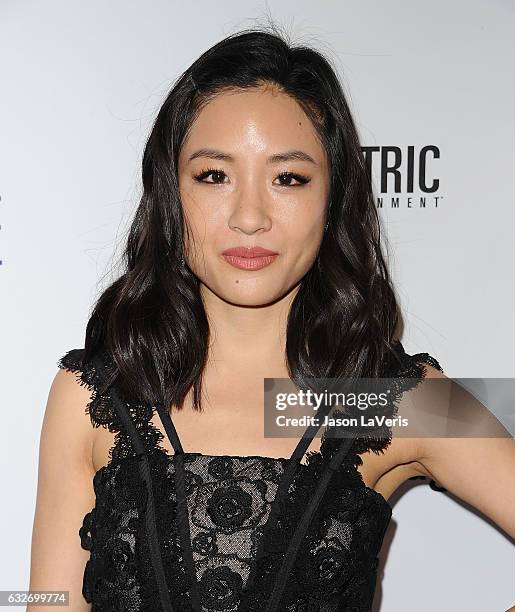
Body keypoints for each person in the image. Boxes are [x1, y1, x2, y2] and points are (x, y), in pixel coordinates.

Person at [29, 25, 515, 612]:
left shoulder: (393, 398)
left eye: (288, 178)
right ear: (169, 192)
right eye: (214, 175)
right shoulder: (91, 395)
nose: (250, 216)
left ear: (333, 197)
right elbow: (49, 602)